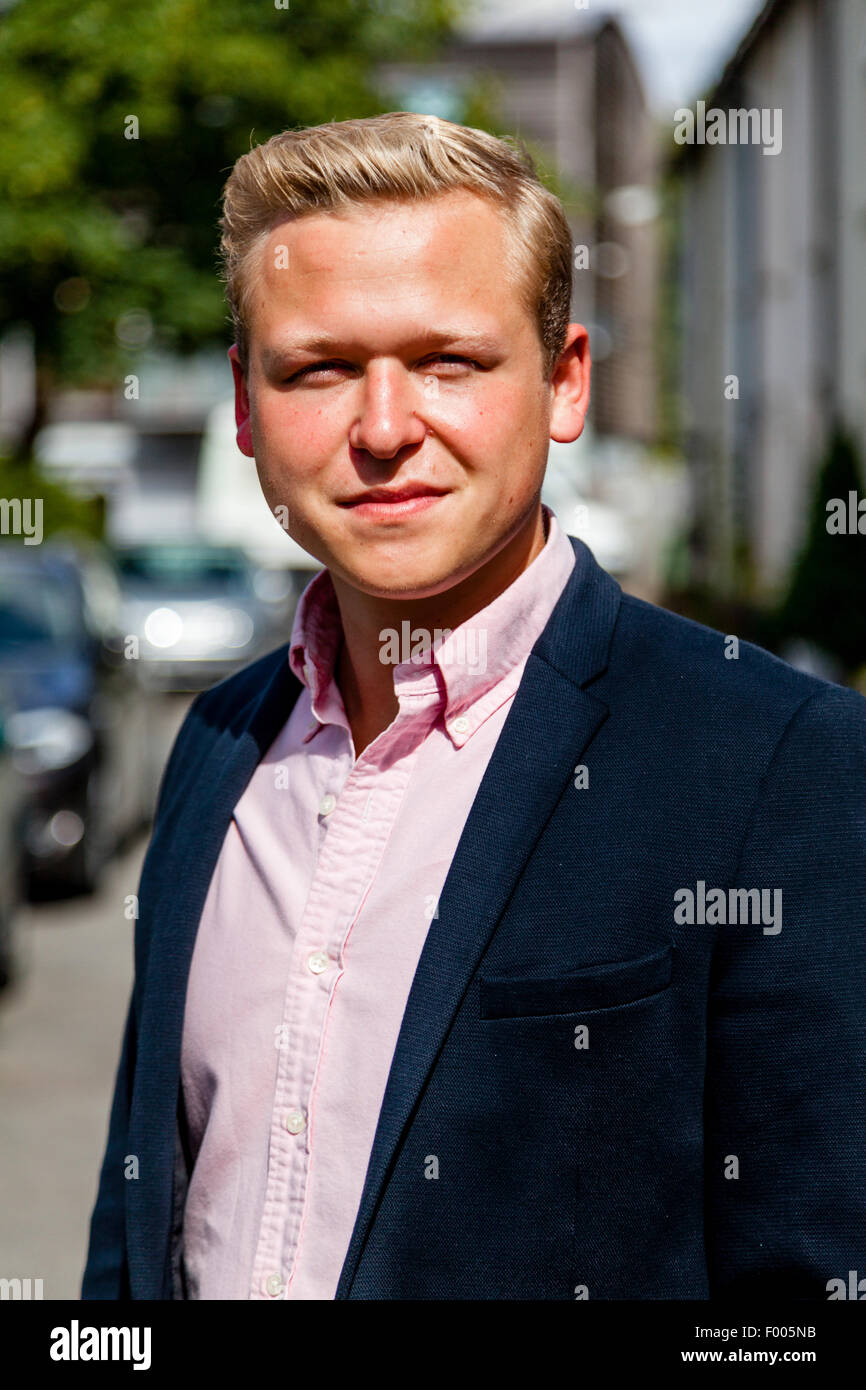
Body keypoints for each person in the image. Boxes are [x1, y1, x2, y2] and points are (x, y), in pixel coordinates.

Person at [82, 112, 866, 1300]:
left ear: (563, 381)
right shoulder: (214, 747)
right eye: (319, 368)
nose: (386, 429)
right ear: (243, 403)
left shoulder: (777, 763)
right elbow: (140, 1230)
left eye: (448, 361)